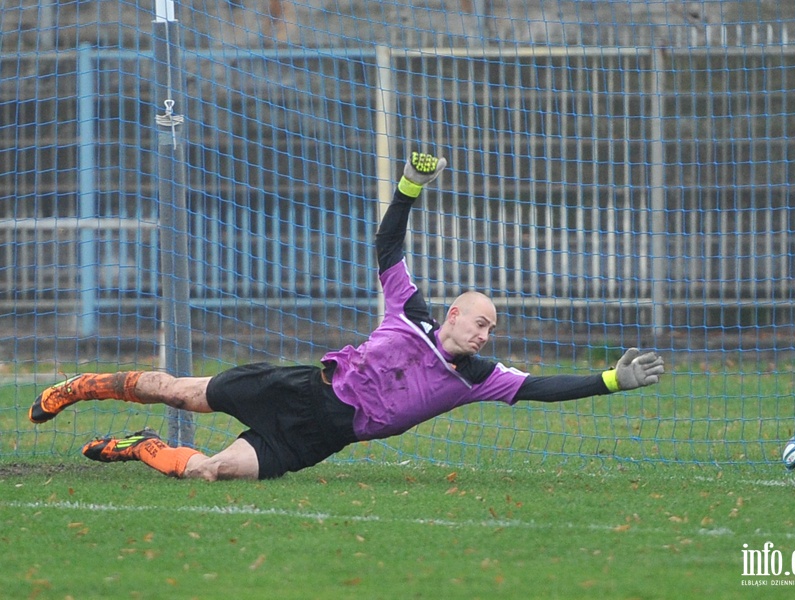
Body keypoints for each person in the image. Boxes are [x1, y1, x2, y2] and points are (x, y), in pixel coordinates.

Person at [29, 150, 665, 481]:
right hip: (301, 386)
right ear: (451, 315)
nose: (486, 332)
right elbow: (388, 246)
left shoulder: (478, 377)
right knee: (178, 390)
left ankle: (136, 448)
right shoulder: (409, 311)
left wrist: (611, 381)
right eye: (480, 322)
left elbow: (542, 389)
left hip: (319, 438)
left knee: (212, 470)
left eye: (492, 328)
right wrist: (410, 188)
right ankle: (81, 387)